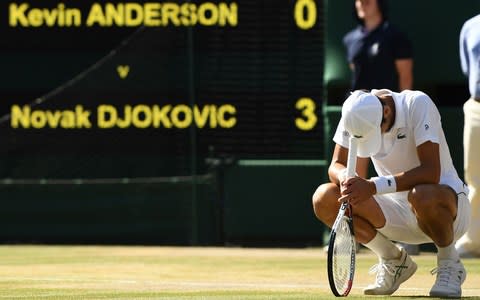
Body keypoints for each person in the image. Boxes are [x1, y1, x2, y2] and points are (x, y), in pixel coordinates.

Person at [312, 89, 470, 297]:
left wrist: (372, 186)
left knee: (422, 194)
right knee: (324, 198)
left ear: (386, 111)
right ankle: (393, 260)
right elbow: (337, 164)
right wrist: (345, 179)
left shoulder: (417, 103)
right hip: (393, 216)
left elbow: (431, 172)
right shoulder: (354, 112)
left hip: (446, 212)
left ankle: (450, 263)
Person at [343, 0, 418, 255]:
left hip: (391, 119)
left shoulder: (395, 37)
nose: (362, 2)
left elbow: (405, 79)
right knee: (354, 177)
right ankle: (353, 233)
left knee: (403, 174)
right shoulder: (350, 40)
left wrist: (403, 119)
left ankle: (410, 237)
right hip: (361, 120)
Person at [343, 0, 413, 92]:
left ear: (380, 3)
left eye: (367, 1)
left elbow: (405, 76)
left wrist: (401, 105)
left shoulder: (396, 37)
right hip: (357, 102)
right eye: (359, 1)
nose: (362, 5)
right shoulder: (349, 39)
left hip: (386, 103)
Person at [455, 14, 480, 258]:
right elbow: (467, 67)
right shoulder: (470, 25)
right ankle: (473, 241)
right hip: (476, 107)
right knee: (474, 175)